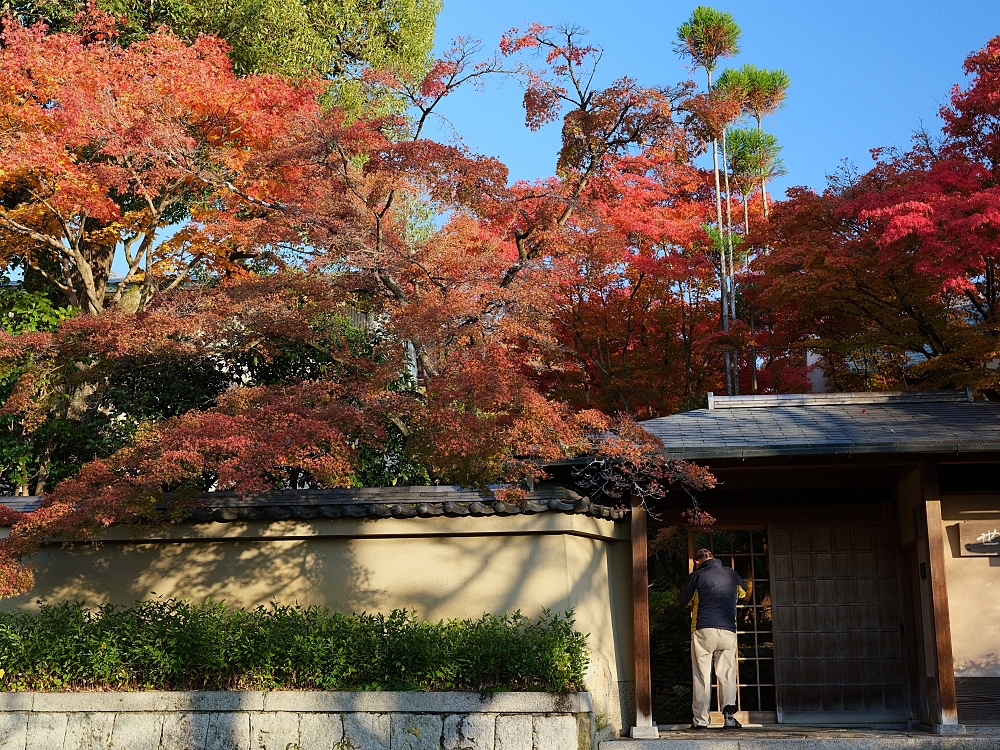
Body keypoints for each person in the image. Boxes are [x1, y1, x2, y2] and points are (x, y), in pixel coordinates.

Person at [678, 548, 747, 730]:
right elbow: (743, 592)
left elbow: (684, 600)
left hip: (703, 629)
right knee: (727, 674)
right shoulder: (732, 575)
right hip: (728, 631)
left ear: (698, 561)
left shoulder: (698, 576)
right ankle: (730, 718)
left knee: (701, 675)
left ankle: (700, 720)